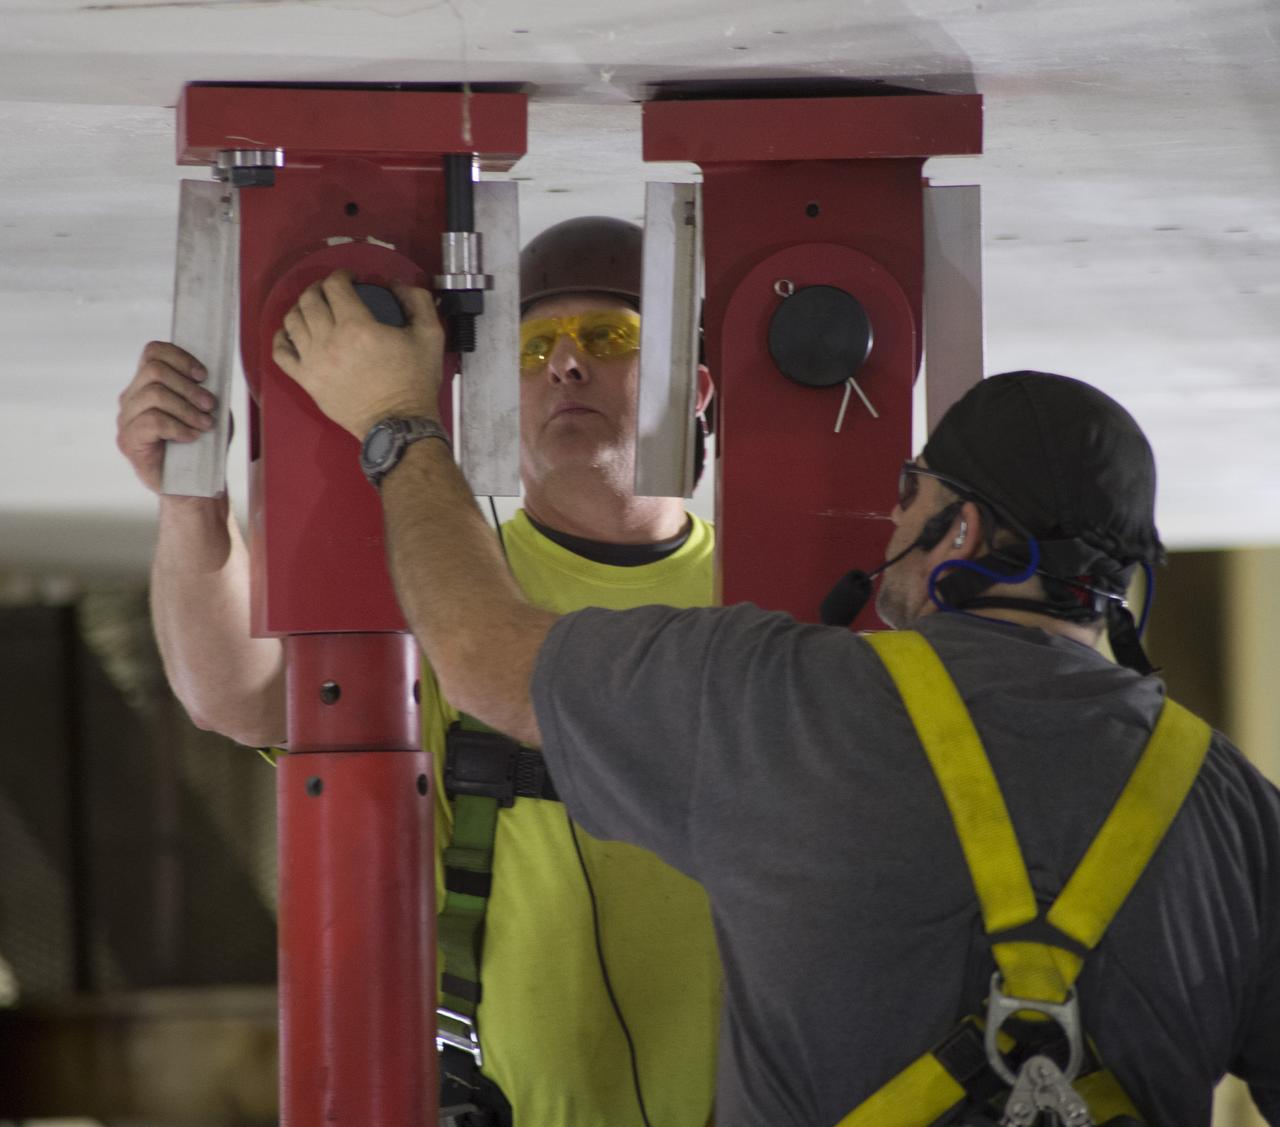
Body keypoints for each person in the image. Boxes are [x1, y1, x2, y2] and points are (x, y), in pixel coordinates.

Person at [273, 269, 1280, 1127]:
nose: (890, 518)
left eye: (910, 493)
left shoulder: (791, 700)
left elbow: (484, 657)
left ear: (960, 535)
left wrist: (394, 422)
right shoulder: (1233, 807)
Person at [115, 217, 722, 1127]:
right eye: (534, 345)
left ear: (698, 385)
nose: (565, 365)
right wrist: (188, 502)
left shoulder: (768, 597)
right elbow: (236, 695)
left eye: (609, 339)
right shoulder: (444, 580)